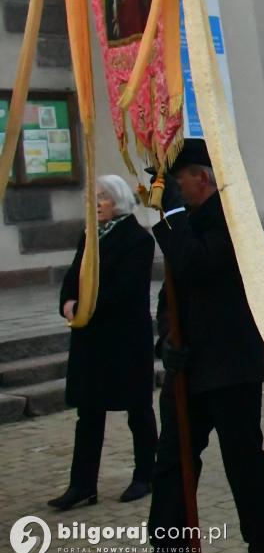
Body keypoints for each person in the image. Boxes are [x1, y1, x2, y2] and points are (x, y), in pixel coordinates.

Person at [147, 139, 264, 553]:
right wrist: (166, 341)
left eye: (173, 183)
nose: (167, 192)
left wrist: (170, 217)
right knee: (171, 463)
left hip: (229, 366)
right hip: (186, 368)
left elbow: (195, 264)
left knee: (243, 462)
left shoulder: (232, 220)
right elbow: (170, 295)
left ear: (201, 178)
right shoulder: (182, 224)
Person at [49, 175, 157, 511]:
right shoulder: (91, 236)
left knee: (137, 409)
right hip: (92, 338)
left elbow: (126, 290)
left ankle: (146, 474)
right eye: (93, 197)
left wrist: (88, 306)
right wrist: (68, 301)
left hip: (124, 337)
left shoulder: (137, 239)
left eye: (103, 197)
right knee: (89, 413)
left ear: (119, 200)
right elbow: (73, 276)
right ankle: (82, 485)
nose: (96, 203)